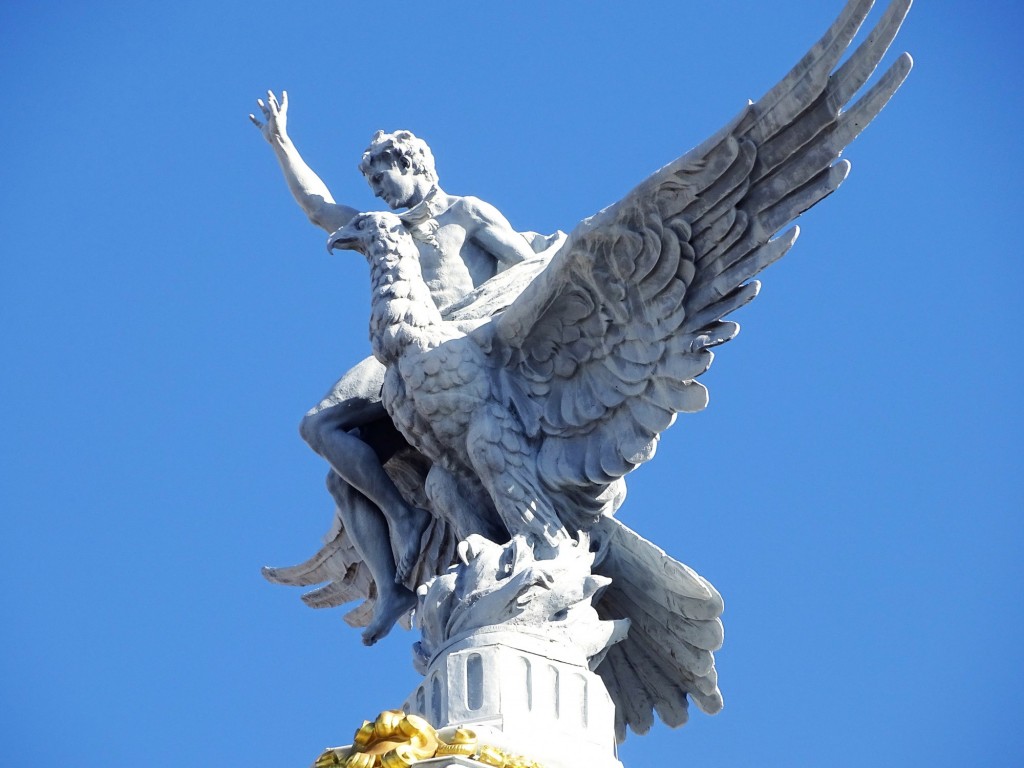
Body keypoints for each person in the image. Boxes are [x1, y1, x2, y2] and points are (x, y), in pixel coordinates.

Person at [250, 90, 539, 644]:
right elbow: (317, 207)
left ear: (413, 165)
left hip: (464, 349)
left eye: (383, 178)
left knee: (329, 445)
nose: (377, 192)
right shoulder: (384, 228)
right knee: (329, 449)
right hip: (403, 355)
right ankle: (395, 566)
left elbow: (528, 272)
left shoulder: (467, 213)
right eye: (372, 185)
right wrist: (282, 143)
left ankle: (414, 533)